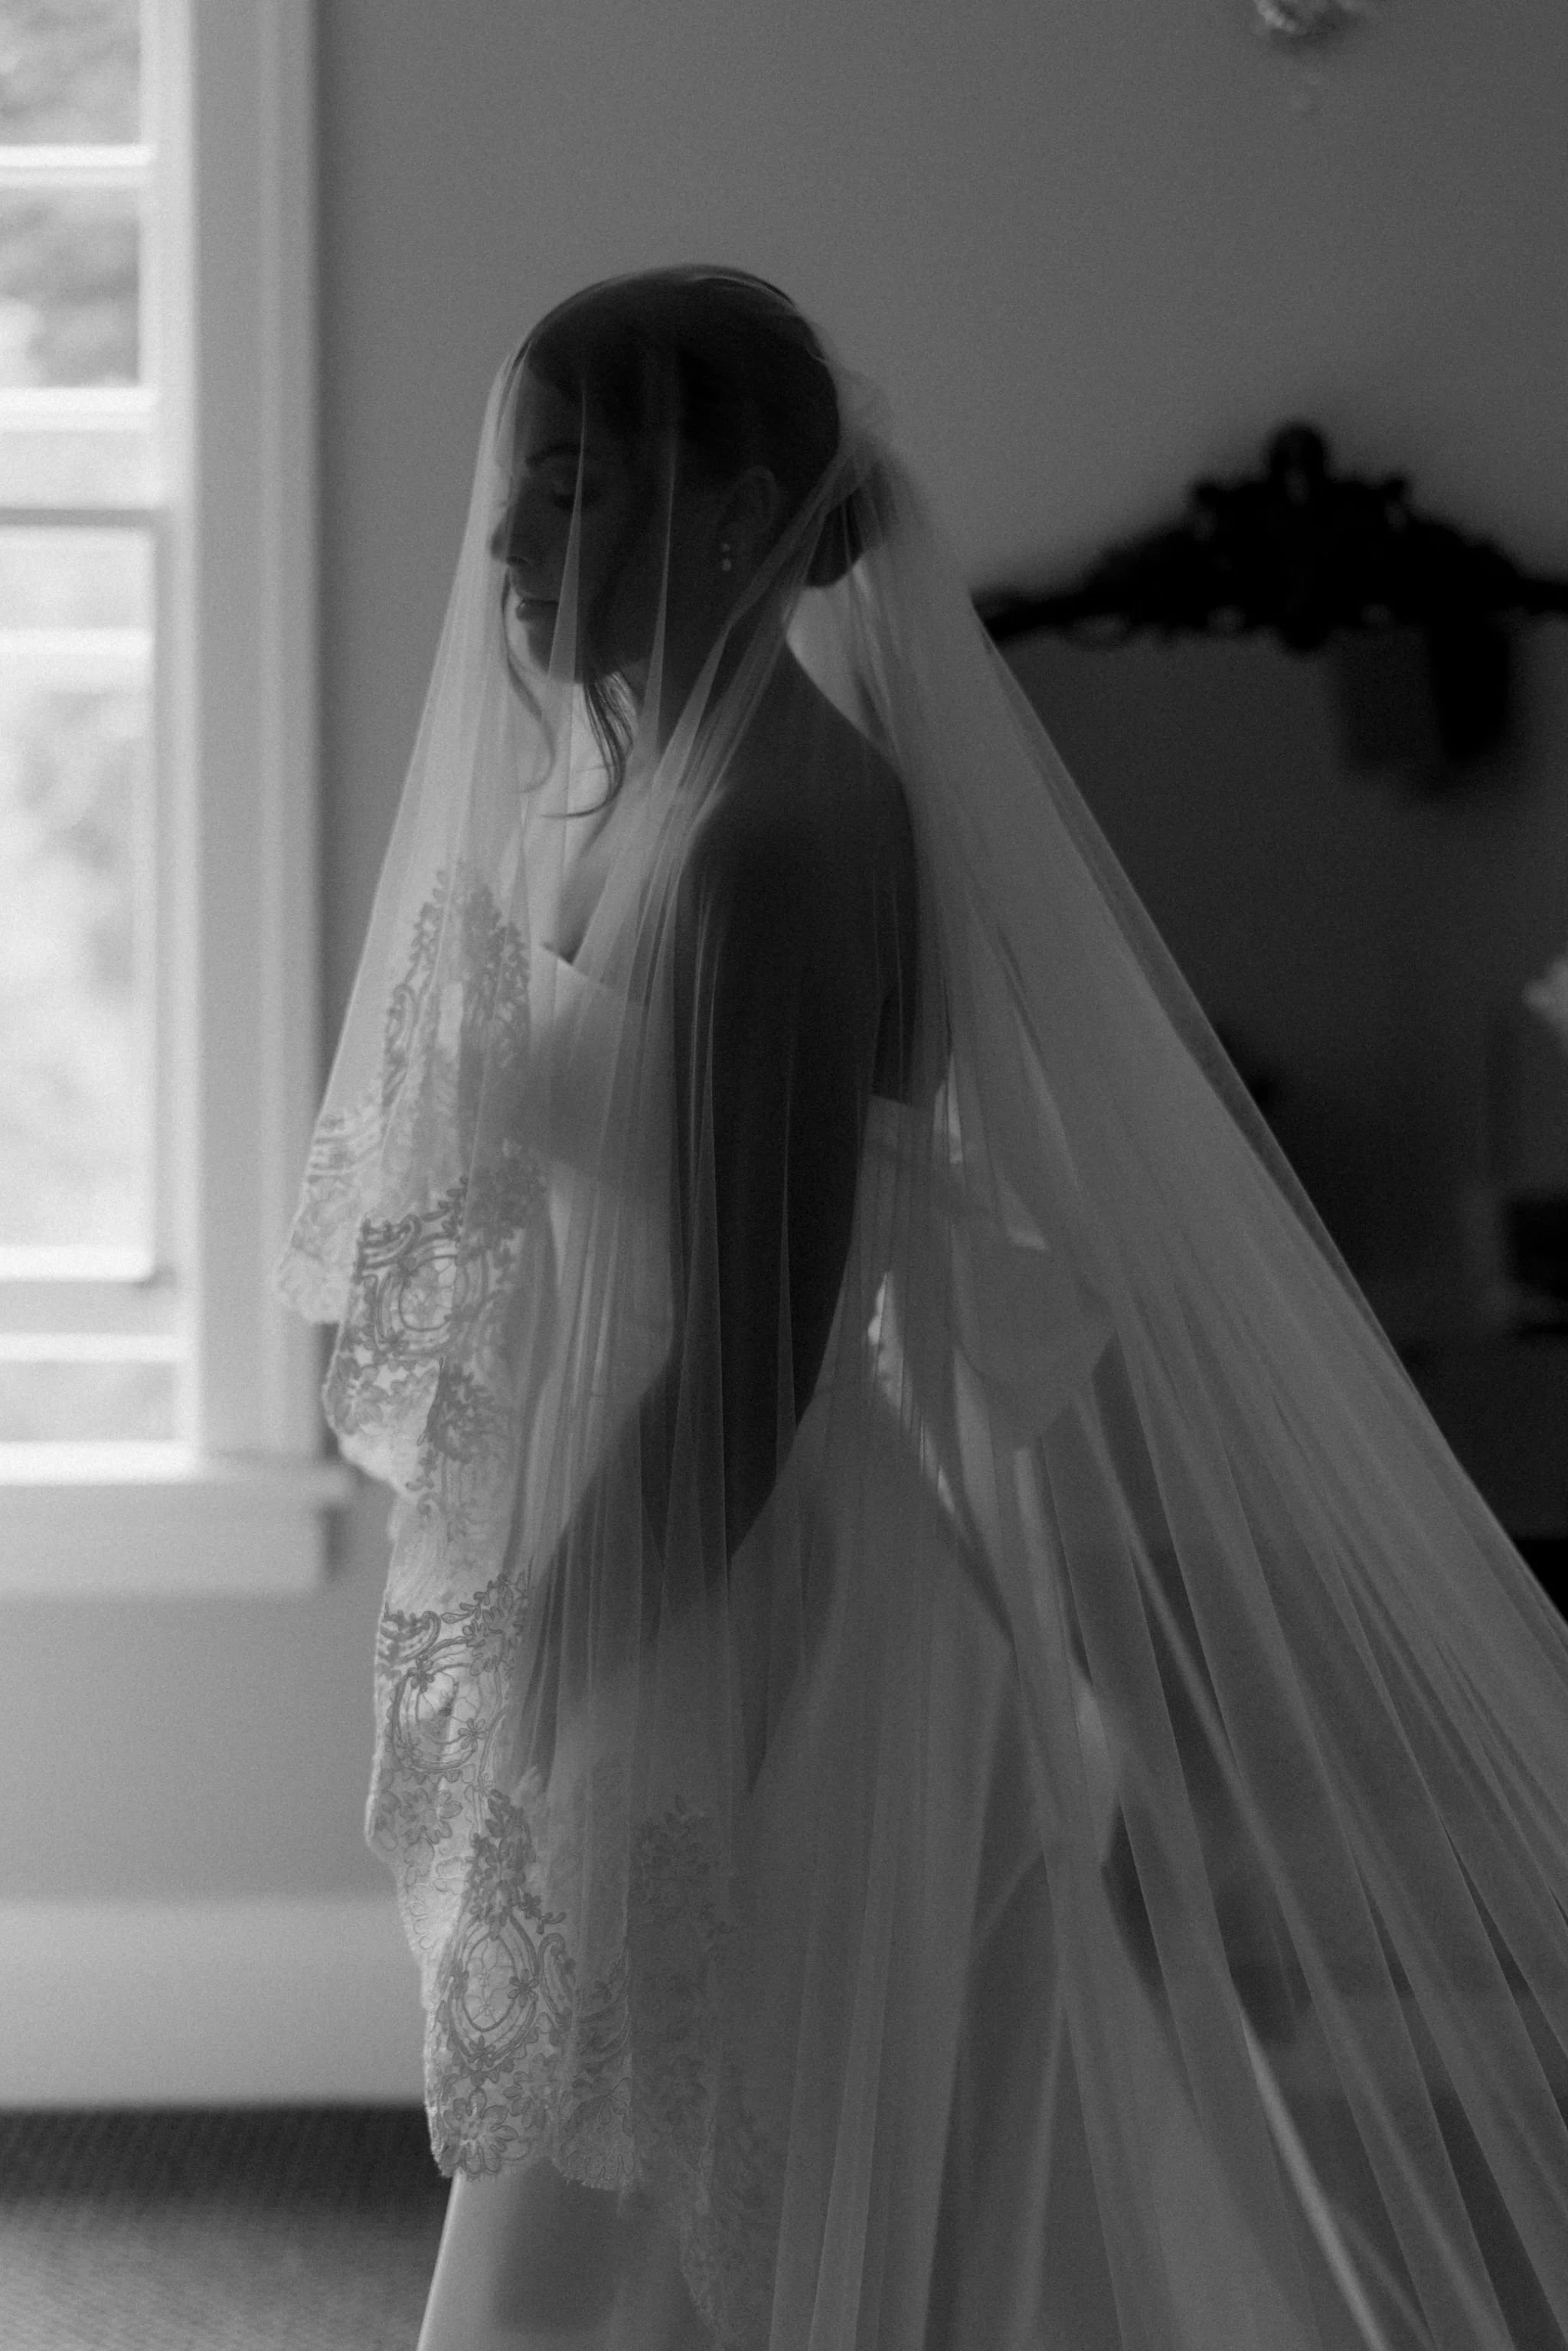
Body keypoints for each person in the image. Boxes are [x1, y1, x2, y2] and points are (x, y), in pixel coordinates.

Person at [279, 267, 1568, 2351]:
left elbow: (757, 1353)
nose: (510, 549)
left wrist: (566, 1643)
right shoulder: (620, 795)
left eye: (575, 492)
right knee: (621, 2180)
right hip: (653, 1549)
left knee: (734, 2184)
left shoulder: (787, 837)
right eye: (525, 491)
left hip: (750, 1598)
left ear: (724, 512)